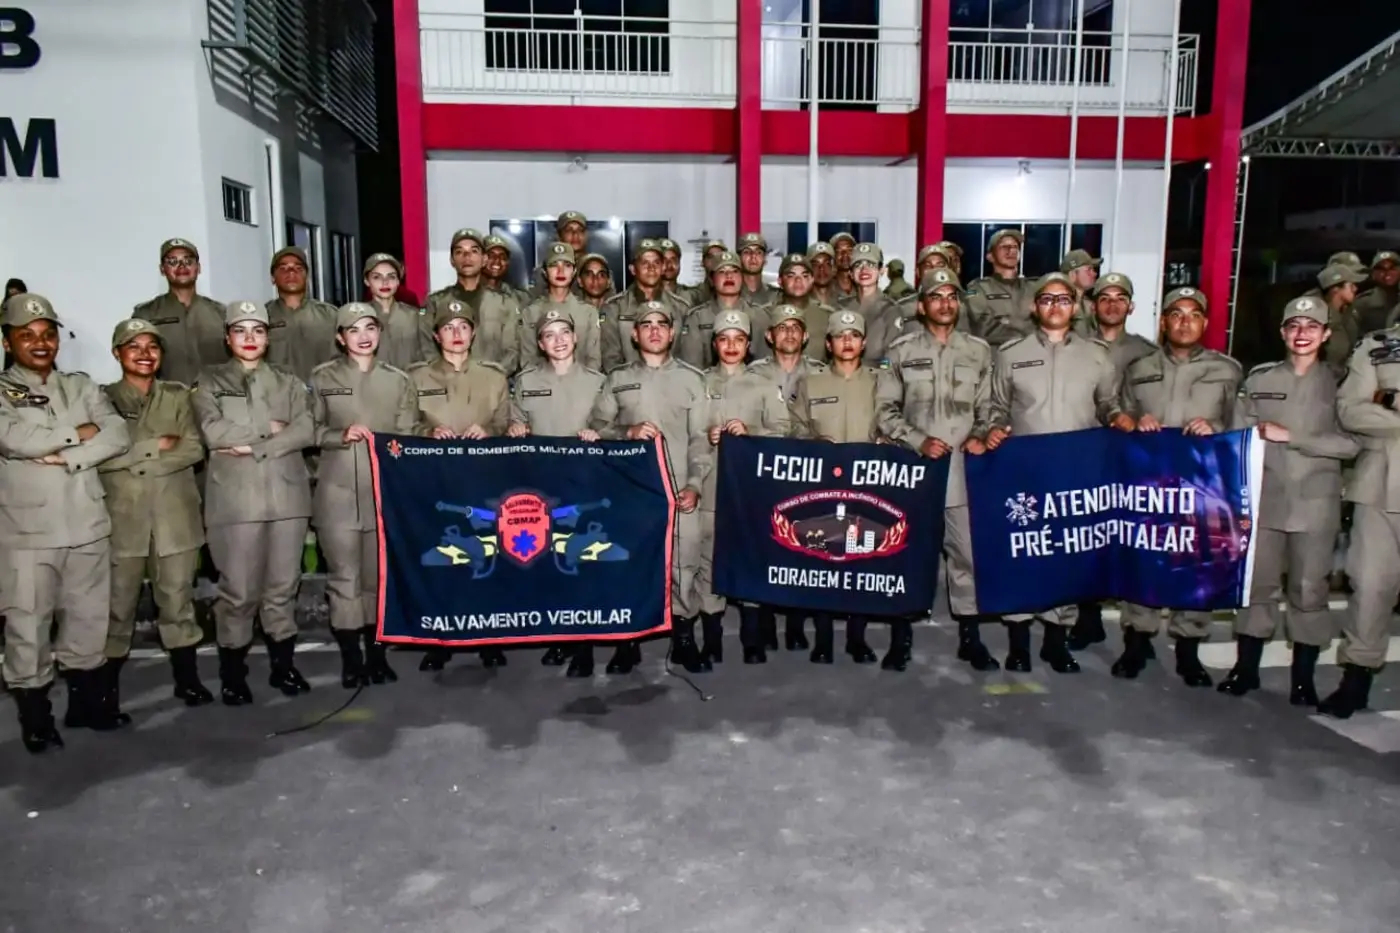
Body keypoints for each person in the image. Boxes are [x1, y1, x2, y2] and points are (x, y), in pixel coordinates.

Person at [972, 272, 1135, 674]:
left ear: (1075, 306)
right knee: (1022, 553)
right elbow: (996, 405)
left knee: (1065, 556)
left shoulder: (1096, 354)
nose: (1055, 306)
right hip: (1023, 471)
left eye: (1063, 299)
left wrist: (1118, 418)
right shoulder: (1011, 353)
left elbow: (1107, 403)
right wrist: (993, 428)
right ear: (1034, 307)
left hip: (1074, 473)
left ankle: (1055, 642)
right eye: (1047, 299)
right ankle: (1018, 643)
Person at [1, 293, 132, 752]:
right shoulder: (3, 392)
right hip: (28, 533)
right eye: (27, 335)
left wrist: (67, 456)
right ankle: (36, 717)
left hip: (86, 524)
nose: (40, 343)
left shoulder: (82, 387)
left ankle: (85, 706)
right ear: (8, 342)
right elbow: (14, 438)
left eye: (48, 334)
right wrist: (79, 433)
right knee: (28, 625)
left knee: (89, 619)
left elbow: (117, 433)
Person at [1216, 295, 1357, 704]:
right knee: (1257, 587)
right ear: (1282, 332)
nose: (1302, 334)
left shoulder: (1341, 384)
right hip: (1265, 500)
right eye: (1294, 326)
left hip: (1315, 505)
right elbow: (1238, 435)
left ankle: (1303, 680)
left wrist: (1293, 437)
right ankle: (1246, 669)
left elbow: (1351, 444)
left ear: (1326, 334)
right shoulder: (1261, 380)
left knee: (1309, 592)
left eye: (1312, 327)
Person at [1112, 286, 1244, 686]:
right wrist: (1134, 422)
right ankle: (1137, 641)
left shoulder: (1227, 370)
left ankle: (1189, 649)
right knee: (1145, 557)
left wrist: (1216, 427)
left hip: (1203, 485)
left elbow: (1243, 424)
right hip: (1149, 483)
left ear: (1205, 322)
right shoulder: (1139, 367)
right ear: (1163, 322)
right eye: (1176, 314)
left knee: (1198, 561)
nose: (1184, 322)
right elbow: (1119, 412)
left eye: (1193, 315)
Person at [192, 300, 316, 706]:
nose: (250, 338)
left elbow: (307, 429)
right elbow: (213, 432)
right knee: (239, 592)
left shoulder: (289, 382)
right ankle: (233, 673)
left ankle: (284, 666)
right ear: (227, 337)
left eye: (258, 331)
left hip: (287, 499)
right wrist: (270, 429)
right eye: (241, 330)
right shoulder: (209, 381)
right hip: (235, 503)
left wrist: (251, 444)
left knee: (282, 588)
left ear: (268, 338)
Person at [877, 269, 997, 672]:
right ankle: (900, 637)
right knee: (906, 556)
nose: (945, 303)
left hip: (963, 473)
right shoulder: (900, 350)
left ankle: (970, 638)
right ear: (921, 305)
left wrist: (981, 433)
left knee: (967, 558)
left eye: (951, 296)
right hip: (915, 475)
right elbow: (884, 410)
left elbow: (990, 407)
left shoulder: (979, 351)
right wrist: (917, 440)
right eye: (936, 296)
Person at [587, 301, 709, 675]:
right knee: (630, 563)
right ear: (635, 334)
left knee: (684, 565)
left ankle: (684, 638)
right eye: (646, 325)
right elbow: (596, 428)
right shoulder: (617, 379)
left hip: (678, 490)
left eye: (661, 324)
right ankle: (628, 640)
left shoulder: (692, 379)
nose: (654, 330)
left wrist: (694, 484)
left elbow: (700, 439)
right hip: (632, 493)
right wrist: (627, 431)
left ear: (672, 333)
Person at [100, 319, 212, 714]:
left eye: (152, 346)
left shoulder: (177, 395)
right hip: (122, 520)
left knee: (178, 603)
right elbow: (101, 455)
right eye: (134, 346)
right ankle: (105, 690)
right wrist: (153, 447)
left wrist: (130, 457)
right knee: (116, 606)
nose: (144, 354)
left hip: (174, 518)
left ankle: (187, 680)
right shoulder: (102, 399)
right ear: (117, 353)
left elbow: (193, 449)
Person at [310, 303, 419, 689]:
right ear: (340, 338)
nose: (363, 336)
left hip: (382, 494)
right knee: (344, 579)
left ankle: (377, 656)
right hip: (337, 494)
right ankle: (351, 660)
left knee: (377, 581)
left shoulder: (398, 381)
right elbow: (309, 429)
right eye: (353, 330)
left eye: (370, 328)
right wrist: (337, 436)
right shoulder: (322, 378)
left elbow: (409, 433)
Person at [409, 300, 510, 671]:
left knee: (487, 557)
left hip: (483, 478)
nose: (456, 334)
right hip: (435, 480)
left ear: (473, 333)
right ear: (437, 335)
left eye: (463, 327)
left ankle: (488, 637)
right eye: (448, 327)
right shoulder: (416, 377)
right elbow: (403, 425)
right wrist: (427, 431)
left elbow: (508, 424)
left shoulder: (494, 377)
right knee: (442, 558)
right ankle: (441, 638)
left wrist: (491, 430)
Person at [508, 308, 606, 675]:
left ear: (576, 337)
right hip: (542, 488)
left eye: (564, 332)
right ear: (539, 343)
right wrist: (514, 429)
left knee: (580, 562)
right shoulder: (526, 381)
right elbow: (515, 420)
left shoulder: (598, 381)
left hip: (585, 485)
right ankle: (560, 635)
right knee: (550, 563)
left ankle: (584, 645)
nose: (559, 340)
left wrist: (600, 433)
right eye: (549, 335)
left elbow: (612, 423)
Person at [786, 311, 884, 666]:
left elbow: (893, 422)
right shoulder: (811, 384)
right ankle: (823, 639)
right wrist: (811, 441)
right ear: (828, 344)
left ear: (863, 342)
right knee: (822, 564)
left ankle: (857, 638)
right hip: (822, 488)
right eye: (840, 336)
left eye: (854, 335)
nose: (847, 341)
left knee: (862, 563)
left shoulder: (879, 383)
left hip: (867, 487)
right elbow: (794, 428)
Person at [1066, 271, 1158, 651]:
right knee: (1087, 536)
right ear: (1093, 305)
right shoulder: (1077, 347)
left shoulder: (1146, 352)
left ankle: (1141, 631)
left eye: (1121, 298)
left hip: (1131, 454)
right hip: (1087, 449)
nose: (1112, 304)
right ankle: (1088, 619)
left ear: (1131, 307)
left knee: (1134, 537)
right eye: (1105, 298)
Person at [696, 309, 790, 666]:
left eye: (738, 339)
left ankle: (753, 639)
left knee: (750, 558)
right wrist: (706, 435)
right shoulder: (699, 383)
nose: (731, 346)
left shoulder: (763, 385)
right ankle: (712, 640)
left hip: (750, 490)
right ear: (714, 344)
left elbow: (784, 432)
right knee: (708, 563)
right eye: (724, 339)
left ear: (749, 344)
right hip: (709, 487)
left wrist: (752, 434)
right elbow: (685, 432)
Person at [1327, 298, 1400, 718]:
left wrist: (1389, 402)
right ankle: (1357, 678)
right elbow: (1351, 410)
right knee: (1370, 586)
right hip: (1380, 488)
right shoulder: (1378, 346)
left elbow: (1374, 409)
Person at [133, 239, 228, 386]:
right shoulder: (147, 314)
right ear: (162, 269)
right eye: (172, 261)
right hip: (167, 397)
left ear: (198, 268)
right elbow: (136, 365)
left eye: (188, 261)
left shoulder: (221, 313)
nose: (182, 266)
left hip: (214, 396)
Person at [426, 229, 521, 373]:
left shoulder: (505, 303)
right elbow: (427, 349)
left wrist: (491, 378)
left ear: (484, 259)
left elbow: (512, 352)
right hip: (446, 382)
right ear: (452, 260)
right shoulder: (436, 303)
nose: (467, 256)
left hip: (493, 382)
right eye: (459, 252)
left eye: (474, 251)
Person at [600, 240, 688, 372]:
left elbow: (686, 357)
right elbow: (611, 359)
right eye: (644, 263)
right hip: (628, 382)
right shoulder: (614, 307)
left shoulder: (681, 307)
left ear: (663, 268)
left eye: (656, 262)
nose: (651, 268)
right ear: (633, 269)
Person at [517, 243, 602, 371]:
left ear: (574, 272)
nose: (560, 271)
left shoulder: (588, 312)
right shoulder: (531, 313)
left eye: (567, 265)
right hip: (542, 381)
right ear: (545, 272)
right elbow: (528, 361)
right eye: (554, 265)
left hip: (582, 381)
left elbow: (593, 360)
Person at [265, 246, 339, 382]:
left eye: (298, 268)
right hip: (277, 392)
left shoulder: (331, 315)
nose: (291, 272)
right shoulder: (262, 317)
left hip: (323, 391)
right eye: (283, 268)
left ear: (307, 276)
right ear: (272, 278)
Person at [364, 253, 436, 370]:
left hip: (410, 380)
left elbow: (429, 356)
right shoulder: (359, 319)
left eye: (391, 277)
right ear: (367, 281)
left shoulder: (415, 316)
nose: (385, 282)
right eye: (377, 277)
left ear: (398, 281)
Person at [676, 249, 746, 369]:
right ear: (712, 280)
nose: (729, 276)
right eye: (722, 271)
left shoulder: (759, 316)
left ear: (742, 278)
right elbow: (691, 368)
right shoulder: (697, 318)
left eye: (734, 271)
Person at [965, 229, 1033, 345]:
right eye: (1004, 247)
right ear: (990, 257)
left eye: (1015, 247)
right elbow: (982, 328)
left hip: (1032, 352)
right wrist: (1025, 327)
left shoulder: (1032, 287)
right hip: (996, 354)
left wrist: (1006, 322)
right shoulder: (979, 288)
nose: (1011, 250)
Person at [847, 243, 907, 365]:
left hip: (877, 374)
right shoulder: (841, 307)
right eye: (858, 265)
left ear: (881, 271)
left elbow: (892, 358)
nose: (864, 270)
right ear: (851, 274)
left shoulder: (890, 310)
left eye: (871, 264)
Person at [1354, 251, 1399, 333]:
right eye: (1381, 269)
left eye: (1392, 268)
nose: (1387, 273)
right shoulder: (1363, 303)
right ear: (1373, 274)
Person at [1059, 249, 1101, 334]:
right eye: (1089, 270)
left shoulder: (1088, 305)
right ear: (1072, 275)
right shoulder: (1061, 306)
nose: (1094, 274)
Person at [483, 234, 528, 306]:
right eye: (491, 256)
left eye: (502, 257)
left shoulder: (519, 297)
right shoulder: (471, 295)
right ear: (481, 259)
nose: (497, 260)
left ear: (508, 262)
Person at [737, 232, 779, 306]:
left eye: (758, 252)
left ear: (765, 259)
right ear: (738, 258)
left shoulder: (776, 296)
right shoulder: (730, 293)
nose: (753, 256)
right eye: (747, 252)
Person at [829, 232, 859, 303]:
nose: (845, 254)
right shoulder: (826, 287)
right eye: (839, 251)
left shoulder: (863, 285)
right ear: (833, 256)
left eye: (849, 250)